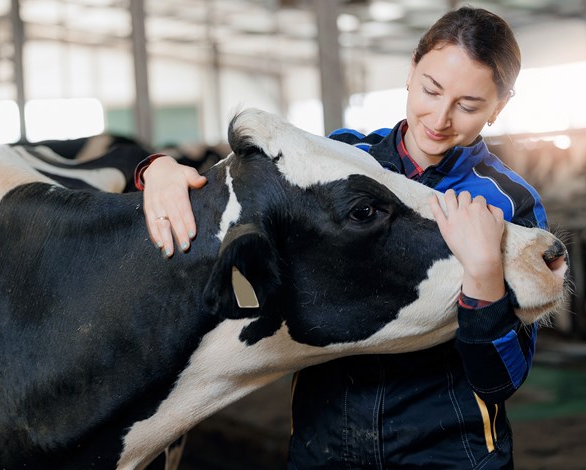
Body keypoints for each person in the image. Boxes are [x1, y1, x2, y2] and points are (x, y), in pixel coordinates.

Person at [136, 6, 547, 468]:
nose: (440, 117)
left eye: (469, 105)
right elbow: (235, 199)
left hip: (448, 452)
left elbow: (499, 381)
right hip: (324, 443)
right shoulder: (339, 160)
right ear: (411, 71)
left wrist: (485, 274)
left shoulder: (509, 205)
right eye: (431, 89)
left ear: (499, 108)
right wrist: (160, 170)